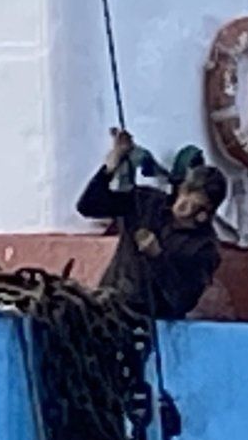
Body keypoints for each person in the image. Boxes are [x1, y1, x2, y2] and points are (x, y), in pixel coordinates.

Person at [77, 130, 226, 319]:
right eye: (184, 193)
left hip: (150, 321)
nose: (182, 204)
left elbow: (182, 301)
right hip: (109, 307)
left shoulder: (204, 248)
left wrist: (157, 257)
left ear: (205, 213)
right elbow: (88, 206)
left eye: (194, 203)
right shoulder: (147, 202)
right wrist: (110, 168)